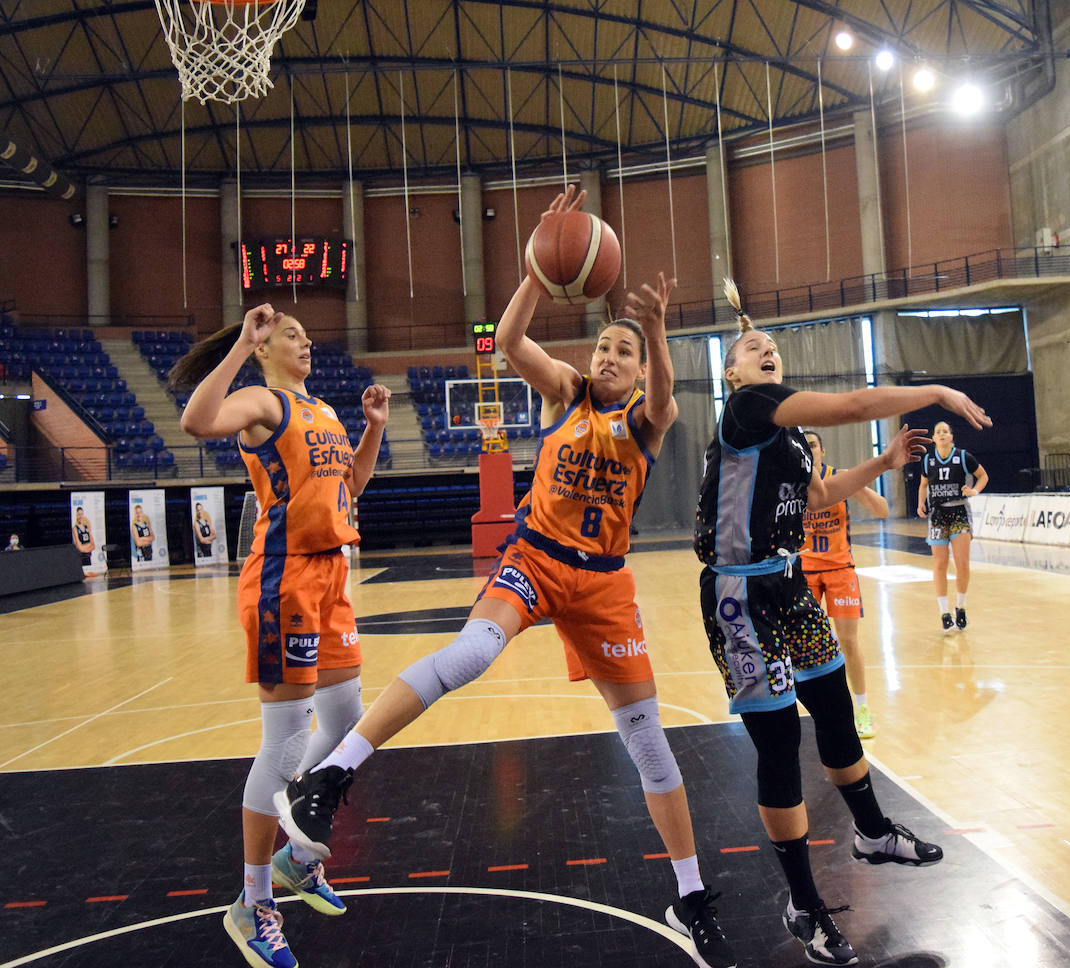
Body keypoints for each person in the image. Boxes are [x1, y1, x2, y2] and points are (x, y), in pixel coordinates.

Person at [274, 188, 737, 968]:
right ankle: (330, 777)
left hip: (604, 586)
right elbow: (509, 339)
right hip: (536, 560)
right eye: (605, 350)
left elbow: (663, 398)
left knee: (650, 744)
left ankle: (690, 897)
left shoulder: (645, 420)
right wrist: (534, 260)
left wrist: (654, 329)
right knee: (471, 655)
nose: (609, 359)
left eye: (621, 352)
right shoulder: (564, 394)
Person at [694, 280, 991, 966]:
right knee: (777, 749)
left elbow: (818, 494)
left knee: (833, 712)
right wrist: (938, 394)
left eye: (771, 346)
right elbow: (858, 402)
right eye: (751, 347)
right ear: (731, 373)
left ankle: (872, 832)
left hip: (789, 584)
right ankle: (802, 902)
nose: (765, 351)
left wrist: (882, 466)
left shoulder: (788, 434)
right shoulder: (747, 406)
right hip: (740, 600)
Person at [172, 303, 391, 968]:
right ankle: (252, 902)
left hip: (331, 578)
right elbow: (196, 421)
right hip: (282, 582)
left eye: (306, 336)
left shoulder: (323, 411)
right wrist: (242, 342)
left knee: (349, 721)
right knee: (288, 740)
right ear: (265, 346)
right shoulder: (259, 400)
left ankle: (298, 859)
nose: (307, 343)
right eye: (292, 335)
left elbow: (350, 485)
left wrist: (373, 431)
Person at [800, 430, 888, 739]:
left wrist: (860, 486)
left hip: (840, 569)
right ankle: (811, 709)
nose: (810, 450)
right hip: (804, 571)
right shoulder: (792, 483)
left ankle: (861, 709)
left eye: (813, 445)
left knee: (848, 641)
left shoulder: (839, 478)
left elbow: (882, 511)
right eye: (805, 446)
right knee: (801, 645)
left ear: (822, 450)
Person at [916, 421, 988, 632]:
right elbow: (923, 484)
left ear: (951, 436)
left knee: (962, 563)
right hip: (937, 515)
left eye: (945, 431)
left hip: (959, 512)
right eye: (938, 432)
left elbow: (983, 476)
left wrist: (974, 490)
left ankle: (961, 606)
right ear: (934, 438)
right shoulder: (928, 460)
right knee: (939, 564)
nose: (942, 434)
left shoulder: (963, 457)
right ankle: (944, 612)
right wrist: (921, 502)